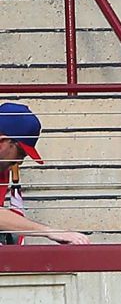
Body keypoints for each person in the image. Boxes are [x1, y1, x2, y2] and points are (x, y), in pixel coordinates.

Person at [0, 103, 89, 245]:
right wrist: (49, 231)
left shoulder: (3, 168)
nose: (20, 162)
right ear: (3, 141)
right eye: (21, 153)